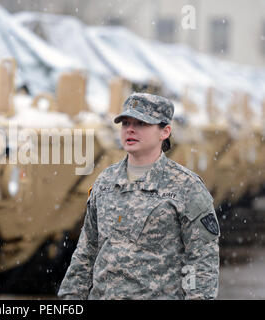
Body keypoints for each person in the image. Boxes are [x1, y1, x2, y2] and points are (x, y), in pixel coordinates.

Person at [58, 93, 220, 299]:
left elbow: (202, 262)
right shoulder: (105, 182)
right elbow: (86, 252)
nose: (130, 129)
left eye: (141, 123)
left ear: (165, 131)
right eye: (125, 123)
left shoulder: (187, 187)